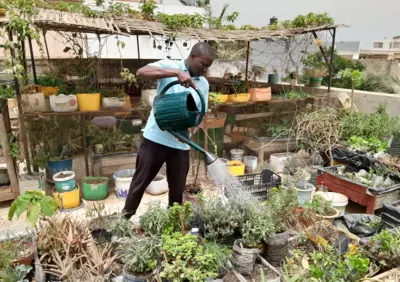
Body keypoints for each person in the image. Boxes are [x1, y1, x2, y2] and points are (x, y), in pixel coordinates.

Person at [122, 42, 215, 219]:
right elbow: (141, 72)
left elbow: (199, 113)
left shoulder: (203, 84)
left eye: (208, 67)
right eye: (203, 65)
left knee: (177, 192)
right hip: (154, 139)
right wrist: (176, 73)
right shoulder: (170, 66)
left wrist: (191, 131)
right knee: (139, 183)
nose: (204, 70)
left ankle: (172, 229)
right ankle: (123, 221)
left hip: (180, 145)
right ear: (192, 56)